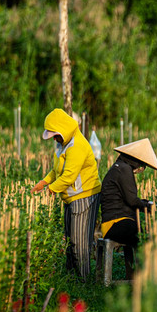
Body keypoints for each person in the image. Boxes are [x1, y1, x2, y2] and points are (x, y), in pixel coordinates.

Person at [32, 109, 102, 280]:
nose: (54, 139)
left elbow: (69, 176)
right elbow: (58, 170)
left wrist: (52, 189)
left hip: (84, 196)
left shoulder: (77, 145)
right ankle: (72, 278)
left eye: (55, 135)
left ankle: (84, 281)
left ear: (63, 130)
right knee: (71, 240)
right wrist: (44, 182)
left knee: (79, 243)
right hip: (71, 197)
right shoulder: (64, 144)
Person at [98, 138, 157, 280]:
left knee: (138, 229)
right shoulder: (124, 170)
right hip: (114, 224)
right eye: (142, 166)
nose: (141, 169)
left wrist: (145, 204)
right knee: (143, 233)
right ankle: (141, 276)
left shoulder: (119, 167)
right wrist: (150, 207)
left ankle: (132, 275)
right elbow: (132, 200)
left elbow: (129, 199)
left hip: (113, 222)